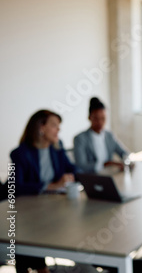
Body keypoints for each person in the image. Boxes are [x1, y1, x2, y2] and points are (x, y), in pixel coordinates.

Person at [10, 109, 76, 273]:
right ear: (41, 127)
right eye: (54, 125)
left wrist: (76, 176)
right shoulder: (20, 154)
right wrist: (49, 186)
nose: (58, 130)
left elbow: (73, 169)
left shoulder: (57, 148)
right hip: (23, 210)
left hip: (49, 208)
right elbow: (16, 186)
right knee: (29, 231)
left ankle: (40, 268)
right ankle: (40, 269)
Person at [73, 97, 129, 173]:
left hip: (110, 174)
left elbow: (125, 153)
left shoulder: (109, 136)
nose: (100, 122)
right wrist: (105, 164)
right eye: (96, 119)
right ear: (89, 118)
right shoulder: (80, 139)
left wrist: (127, 162)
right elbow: (81, 165)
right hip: (92, 177)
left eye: (103, 119)